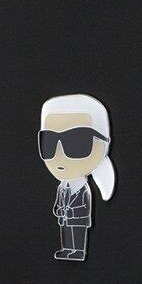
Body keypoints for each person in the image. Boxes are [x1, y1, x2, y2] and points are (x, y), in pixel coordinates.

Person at [38, 94, 115, 261]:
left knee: (77, 233)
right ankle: (67, 249)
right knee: (66, 232)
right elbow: (58, 202)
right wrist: (58, 209)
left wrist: (71, 211)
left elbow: (85, 206)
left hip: (78, 218)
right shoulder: (62, 186)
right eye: (49, 142)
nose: (59, 154)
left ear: (103, 143)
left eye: (77, 142)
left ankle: (78, 250)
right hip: (65, 218)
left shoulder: (83, 189)